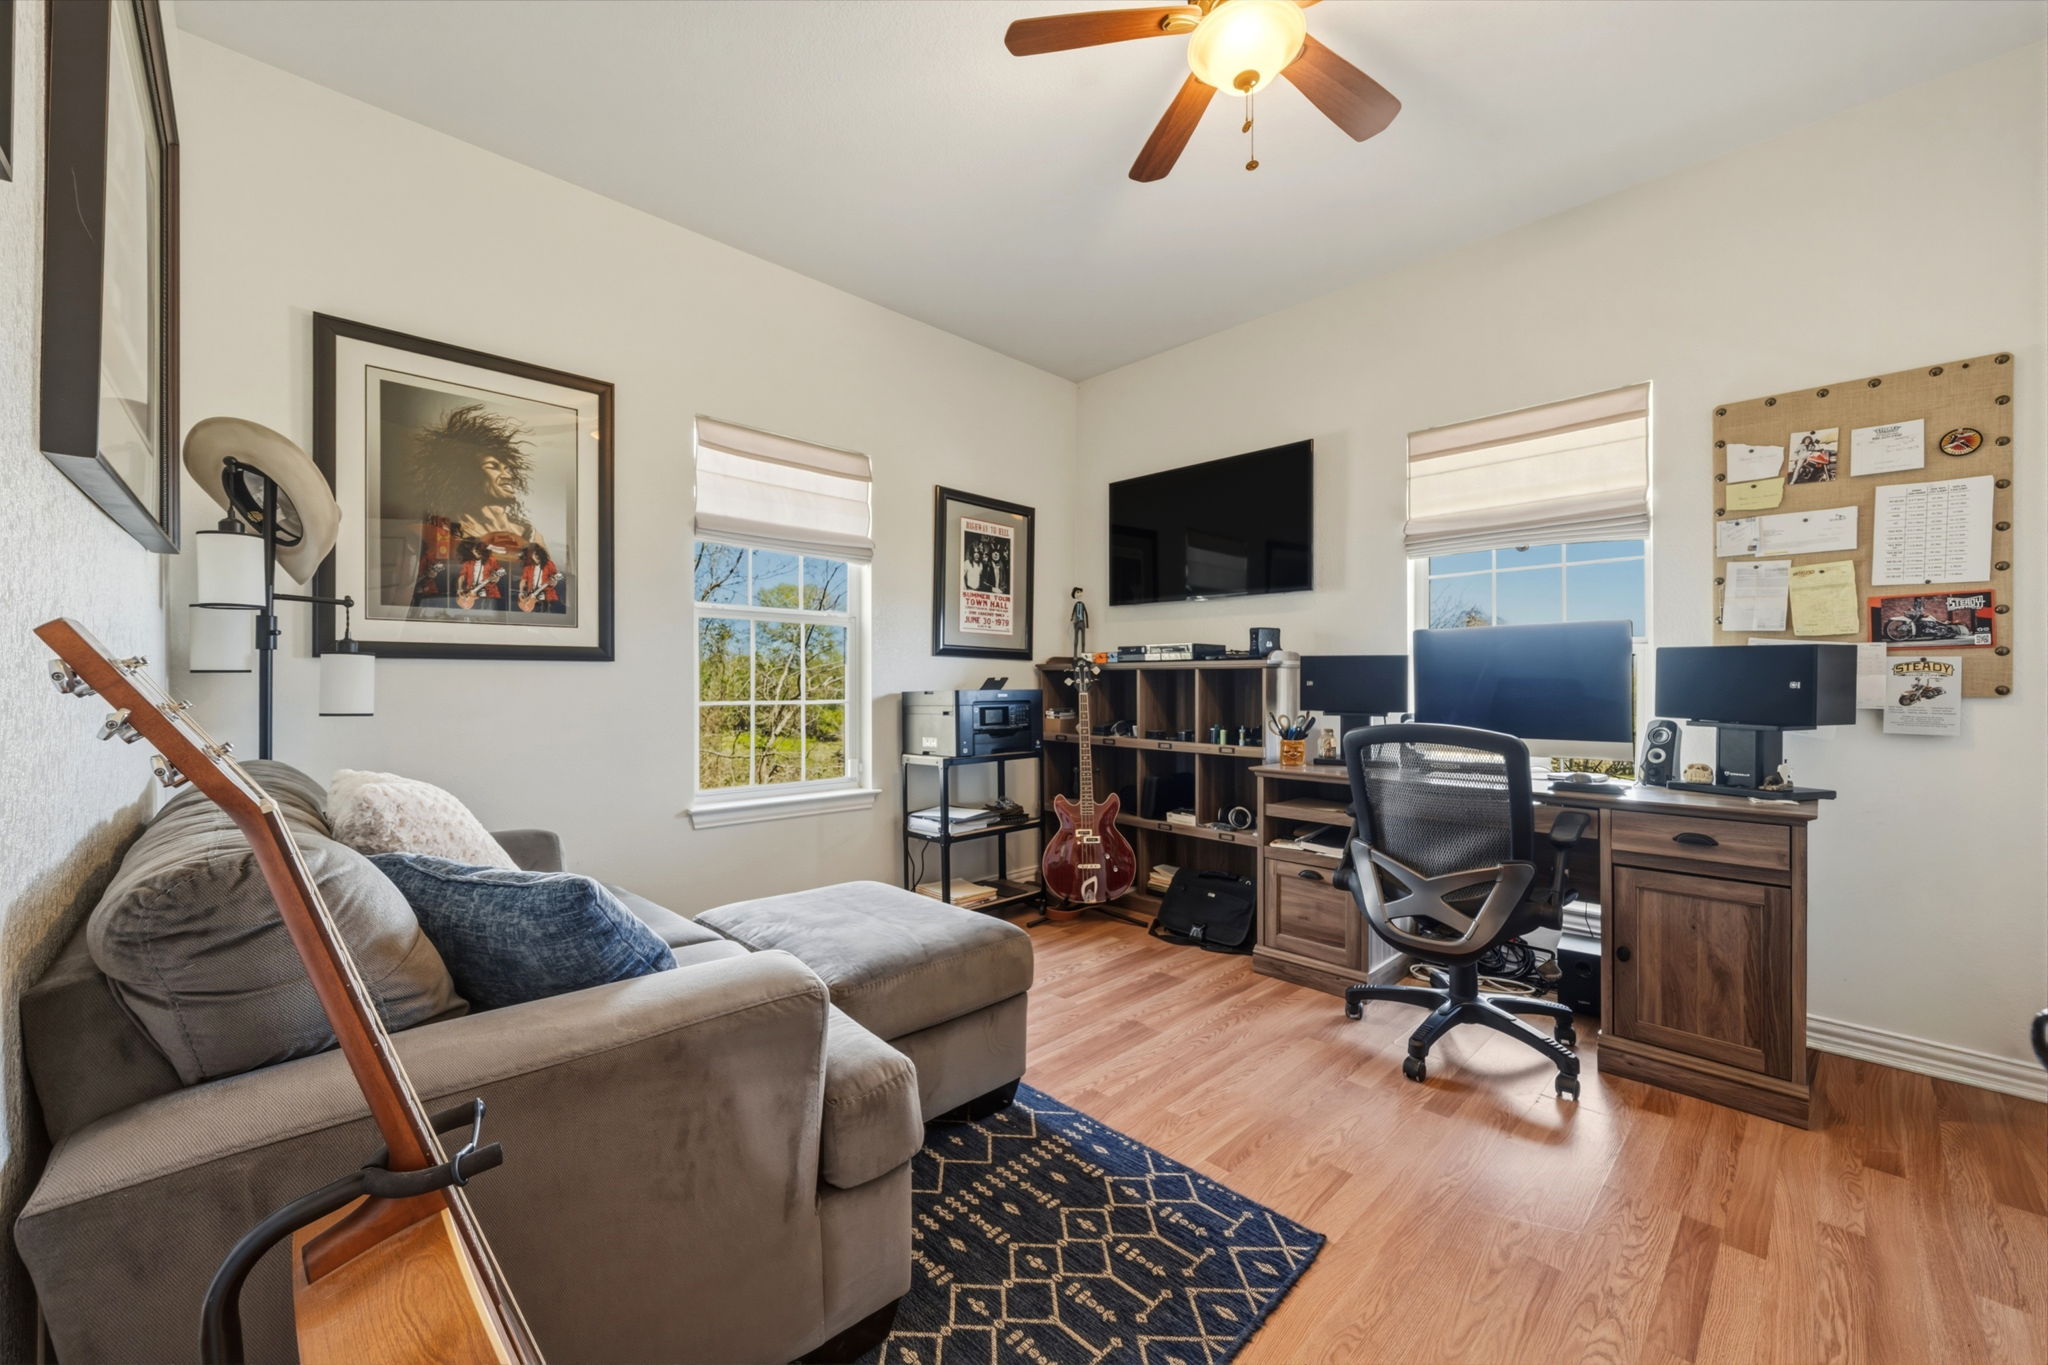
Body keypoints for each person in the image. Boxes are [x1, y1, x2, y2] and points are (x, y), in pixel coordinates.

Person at [402, 403, 561, 614]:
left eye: (507, 468)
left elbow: (550, 596)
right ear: (467, 476)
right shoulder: (438, 533)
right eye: (493, 466)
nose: (507, 475)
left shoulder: (531, 535)